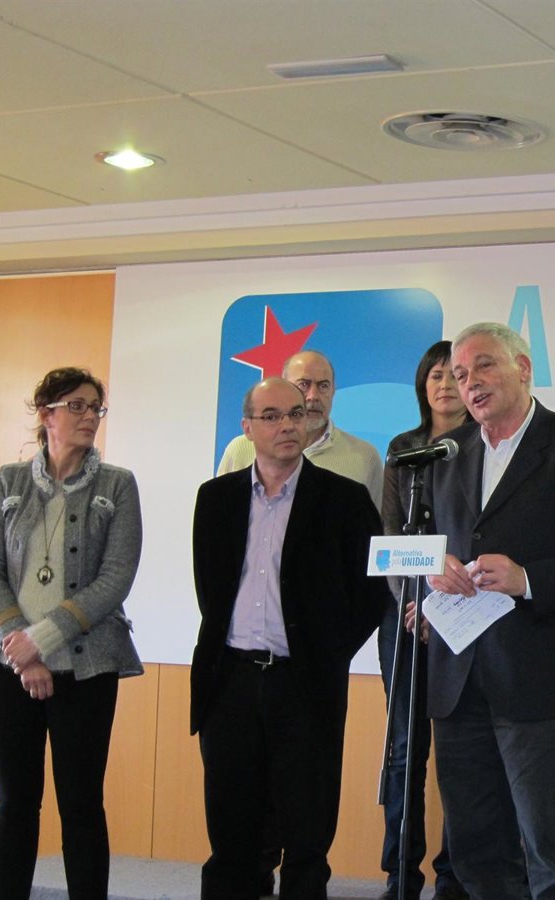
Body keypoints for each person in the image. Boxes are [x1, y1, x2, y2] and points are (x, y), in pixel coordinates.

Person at [422, 322, 555, 900]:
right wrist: (433, 572)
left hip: (539, 681)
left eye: (483, 366)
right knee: (475, 849)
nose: (470, 383)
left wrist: (528, 579)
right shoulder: (450, 453)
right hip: (458, 682)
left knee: (553, 850)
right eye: (460, 374)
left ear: (523, 369)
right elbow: (429, 548)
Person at [190, 377, 389, 900]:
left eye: (296, 414)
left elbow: (373, 591)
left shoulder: (344, 499)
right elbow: (211, 589)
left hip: (305, 684)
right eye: (273, 416)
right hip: (230, 682)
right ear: (247, 428)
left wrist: (327, 652)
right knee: (231, 833)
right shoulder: (215, 499)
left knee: (306, 835)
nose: (287, 426)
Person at [0, 366, 143, 900]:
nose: (89, 417)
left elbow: (115, 578)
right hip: (12, 666)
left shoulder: (117, 484)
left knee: (81, 802)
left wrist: (42, 640)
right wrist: (24, 650)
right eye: (76, 406)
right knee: (15, 802)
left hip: (88, 666)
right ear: (46, 414)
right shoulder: (7, 482)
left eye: (95, 408)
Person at [380, 340, 469, 900]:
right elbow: (391, 538)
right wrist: (410, 602)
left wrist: (440, 605)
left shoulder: (483, 446)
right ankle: (400, 872)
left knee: (463, 751)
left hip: (463, 616)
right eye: (435, 376)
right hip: (405, 616)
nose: (445, 385)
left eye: (453, 375)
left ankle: (455, 875)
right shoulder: (403, 448)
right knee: (404, 749)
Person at [218, 349, 383, 510]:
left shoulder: (365, 457)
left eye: (323, 386)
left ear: (333, 391)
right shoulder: (240, 450)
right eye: (304, 384)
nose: (313, 396)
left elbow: (376, 526)